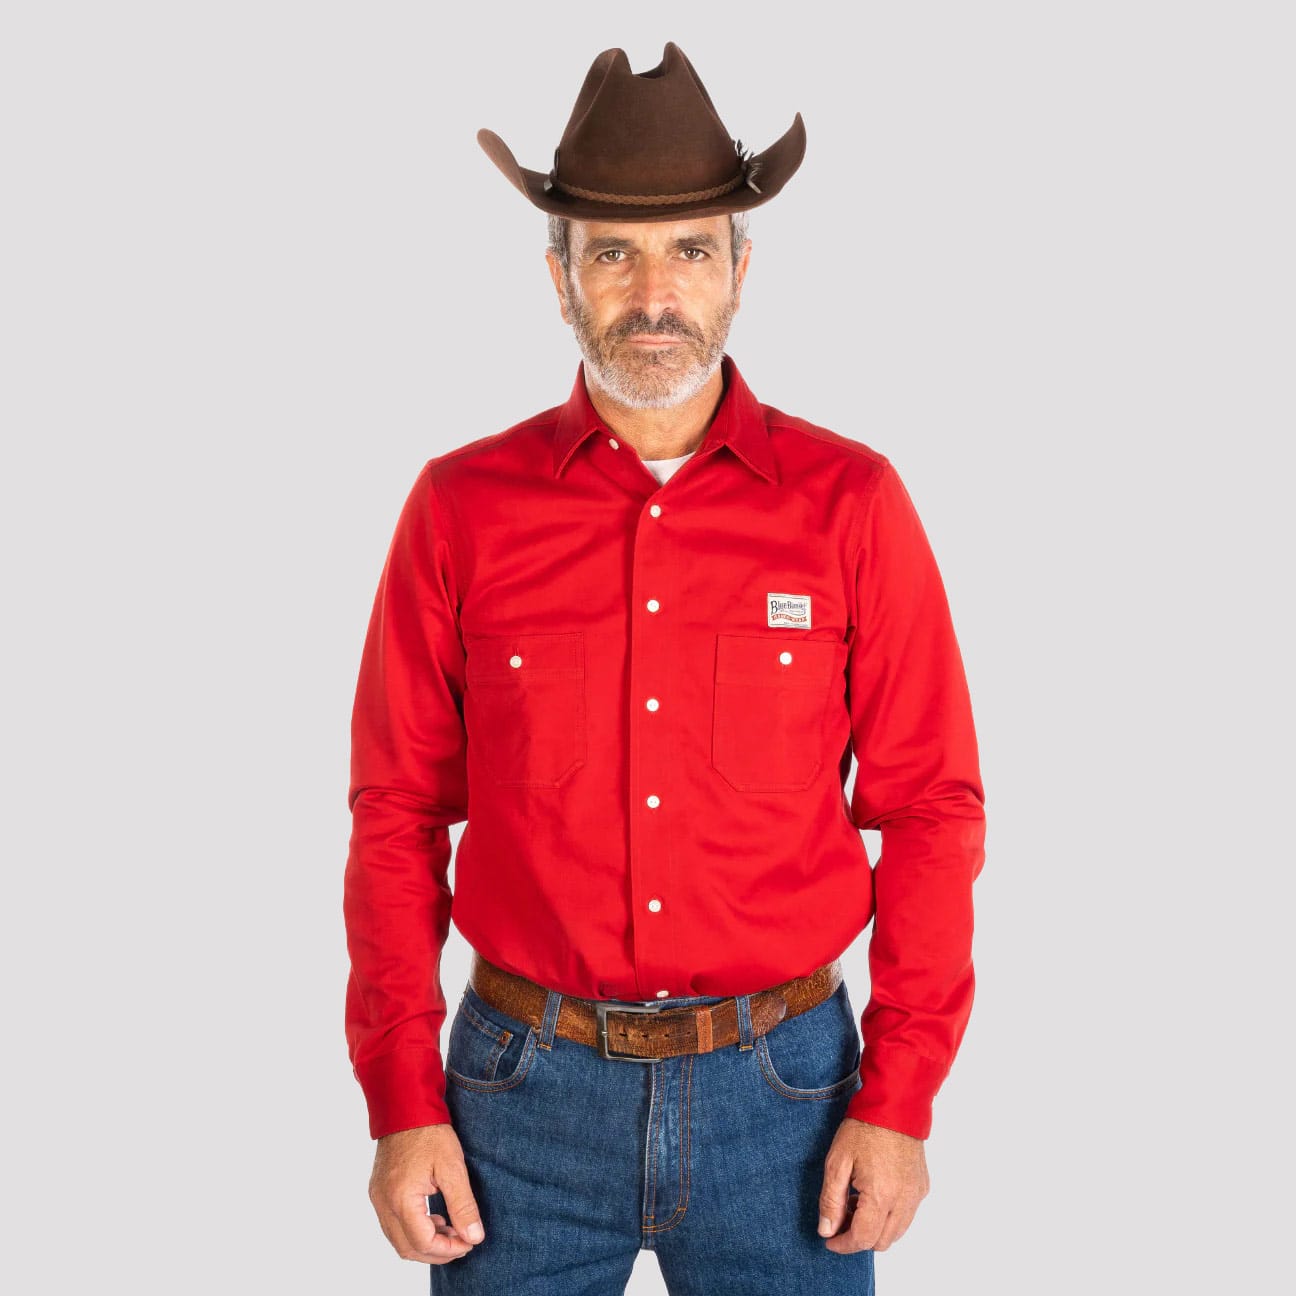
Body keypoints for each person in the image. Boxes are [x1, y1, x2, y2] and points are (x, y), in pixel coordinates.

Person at [343, 41, 986, 1294]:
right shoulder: (459, 506)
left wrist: (900, 1097)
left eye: (690, 249)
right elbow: (396, 817)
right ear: (559, 276)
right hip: (514, 1101)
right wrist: (400, 1100)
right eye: (612, 252)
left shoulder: (851, 503)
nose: (653, 291)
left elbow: (930, 810)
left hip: (788, 1102)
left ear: (740, 272)